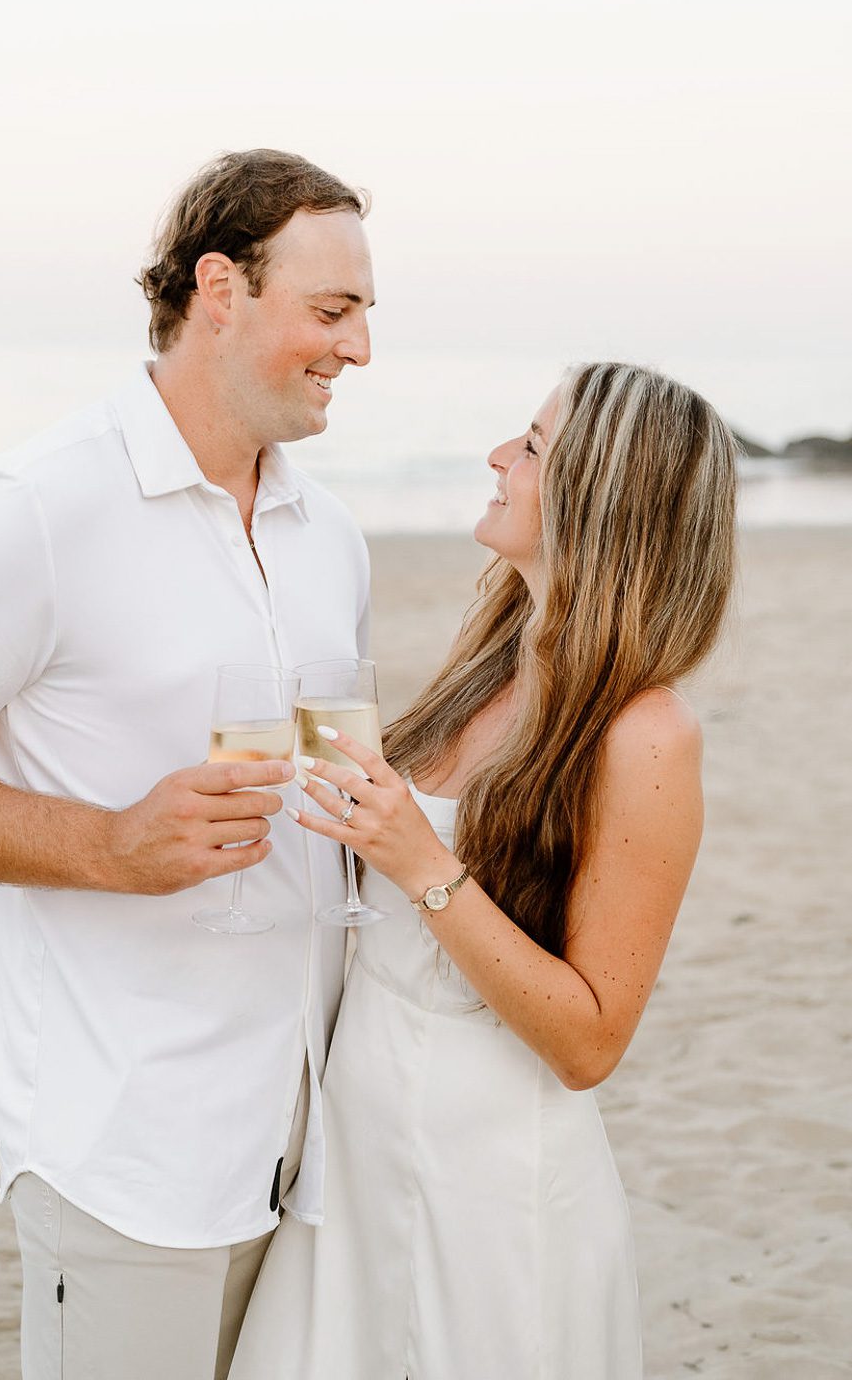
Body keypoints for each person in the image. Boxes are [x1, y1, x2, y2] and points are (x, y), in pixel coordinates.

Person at [0, 148, 376, 1380]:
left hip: (319, 1138)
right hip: (130, 1144)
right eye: (333, 311)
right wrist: (108, 847)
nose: (361, 348)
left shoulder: (328, 532)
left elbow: (341, 778)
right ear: (218, 288)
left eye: (365, 315)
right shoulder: (35, 505)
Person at [228, 360, 738, 1380]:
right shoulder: (498, 654)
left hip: (492, 1181)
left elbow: (589, 1040)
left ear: (601, 496)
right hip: (356, 1145)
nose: (499, 457)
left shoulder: (644, 733)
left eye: (534, 447)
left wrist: (421, 860)